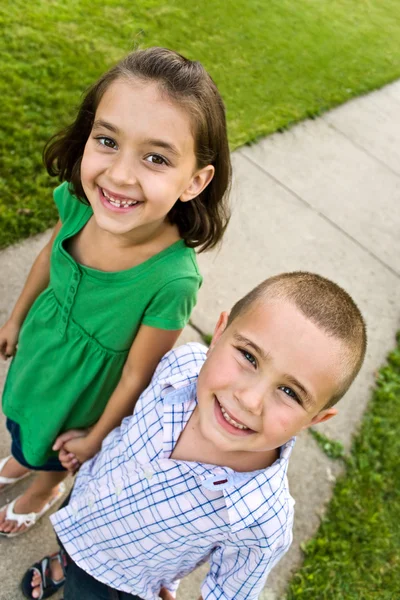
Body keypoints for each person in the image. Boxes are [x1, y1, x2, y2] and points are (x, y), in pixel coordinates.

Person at [0, 47, 231, 537]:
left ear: (195, 180)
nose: (120, 175)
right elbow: (49, 256)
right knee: (25, 417)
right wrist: (17, 318)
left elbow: (136, 375)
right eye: (107, 140)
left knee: (56, 448)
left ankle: (45, 488)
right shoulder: (82, 204)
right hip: (43, 349)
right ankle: (23, 459)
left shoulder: (173, 280)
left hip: (85, 396)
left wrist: (95, 438)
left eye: (155, 157)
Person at [22, 272, 367, 600]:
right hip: (86, 503)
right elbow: (131, 420)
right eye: (248, 356)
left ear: (316, 419)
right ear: (219, 333)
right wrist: (95, 441)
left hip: (118, 582)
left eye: (290, 393)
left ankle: (73, 573)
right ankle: (63, 561)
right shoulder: (181, 365)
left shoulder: (261, 520)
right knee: (68, 542)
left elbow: (228, 592)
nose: (250, 400)